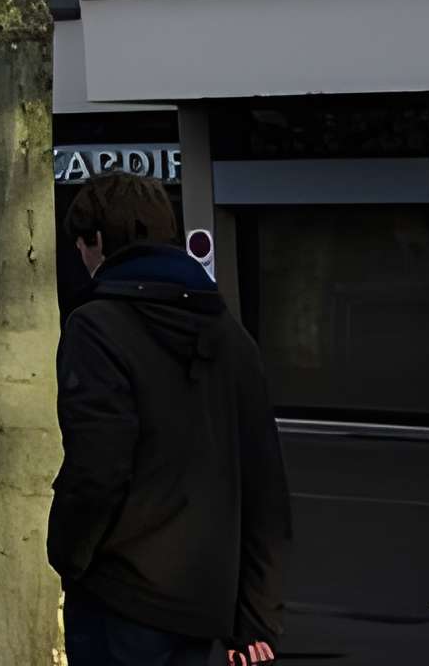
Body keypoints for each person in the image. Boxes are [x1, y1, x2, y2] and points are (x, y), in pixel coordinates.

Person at [49, 174, 291, 666]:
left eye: (81, 247)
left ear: (96, 241)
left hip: (119, 593)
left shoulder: (95, 327)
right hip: (202, 596)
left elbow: (98, 465)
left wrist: (69, 557)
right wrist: (255, 617)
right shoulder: (230, 335)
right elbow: (264, 483)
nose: (82, 260)